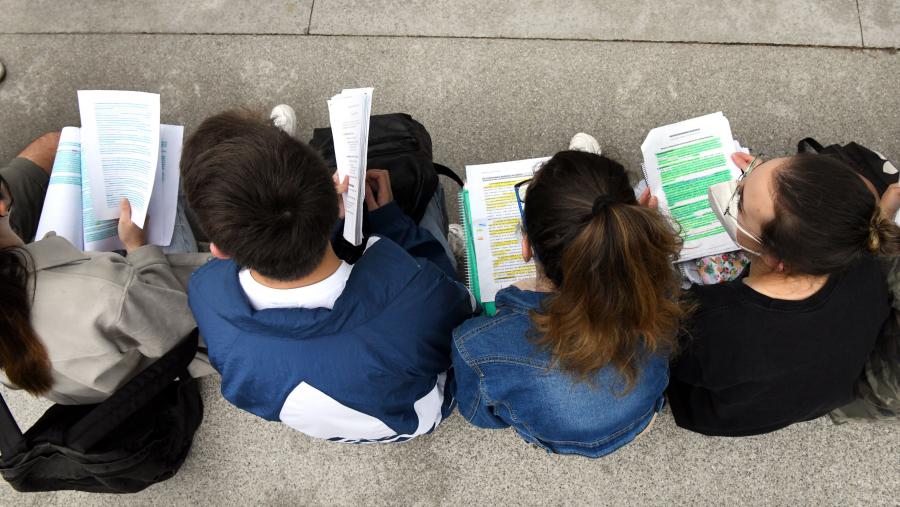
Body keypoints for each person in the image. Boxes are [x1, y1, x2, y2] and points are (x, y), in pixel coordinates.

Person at [182, 108, 474, 443]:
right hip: (416, 415)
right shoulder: (409, 286)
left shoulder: (205, 291)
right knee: (427, 203)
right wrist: (393, 222)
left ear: (218, 250)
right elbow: (459, 314)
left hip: (326, 413)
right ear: (340, 204)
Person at [451, 139, 684, 457]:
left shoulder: (477, 344)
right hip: (641, 418)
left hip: (558, 439)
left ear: (526, 248)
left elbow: (479, 413)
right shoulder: (661, 287)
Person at [668, 152, 900, 436]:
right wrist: (773, 182)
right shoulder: (858, 255)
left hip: (722, 412)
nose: (734, 188)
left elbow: (675, 363)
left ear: (777, 258)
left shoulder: (714, 321)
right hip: (812, 398)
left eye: (739, 203)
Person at [0, 132, 213, 405]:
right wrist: (139, 247)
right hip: (165, 347)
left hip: (103, 374)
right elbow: (181, 332)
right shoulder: (105, 290)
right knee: (159, 183)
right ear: (3, 205)